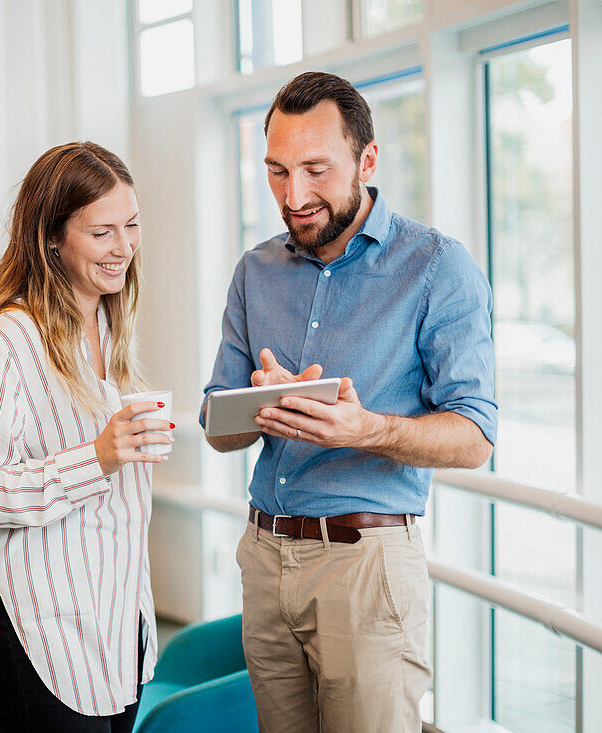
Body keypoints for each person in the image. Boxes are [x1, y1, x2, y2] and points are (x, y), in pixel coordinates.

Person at [201, 71, 497, 732]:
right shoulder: (256, 270)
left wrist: (367, 429)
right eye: (277, 171)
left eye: (315, 170)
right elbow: (217, 430)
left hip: (366, 566)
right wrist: (254, 406)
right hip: (264, 551)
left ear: (367, 159)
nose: (293, 195)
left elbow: (476, 435)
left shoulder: (438, 267)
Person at [0, 141, 170, 733]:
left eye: (132, 226)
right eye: (102, 233)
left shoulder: (111, 328)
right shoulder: (7, 341)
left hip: (115, 627)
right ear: (51, 239)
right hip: (37, 629)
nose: (124, 248)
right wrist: (95, 458)